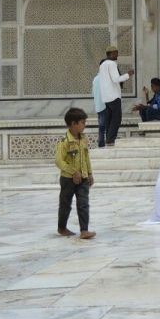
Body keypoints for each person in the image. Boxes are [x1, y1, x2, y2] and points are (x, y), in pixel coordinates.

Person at [54, 107, 95, 239]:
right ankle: (62, 227)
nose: (84, 125)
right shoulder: (64, 142)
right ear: (73, 124)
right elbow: (59, 161)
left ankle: (84, 230)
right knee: (65, 204)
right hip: (68, 179)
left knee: (83, 203)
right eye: (82, 122)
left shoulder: (83, 139)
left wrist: (89, 173)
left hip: (82, 178)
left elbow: (86, 157)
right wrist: (73, 172)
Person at [97, 45, 134, 147]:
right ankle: (110, 139)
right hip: (113, 96)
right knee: (116, 118)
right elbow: (116, 79)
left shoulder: (102, 65)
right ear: (110, 54)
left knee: (109, 118)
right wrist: (128, 75)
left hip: (106, 97)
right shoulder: (111, 64)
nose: (117, 55)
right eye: (115, 53)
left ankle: (109, 139)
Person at [91, 59, 107, 148]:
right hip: (105, 106)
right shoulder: (105, 79)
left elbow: (93, 93)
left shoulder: (95, 79)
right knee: (106, 127)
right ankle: (106, 144)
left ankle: (101, 144)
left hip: (98, 107)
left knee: (101, 127)